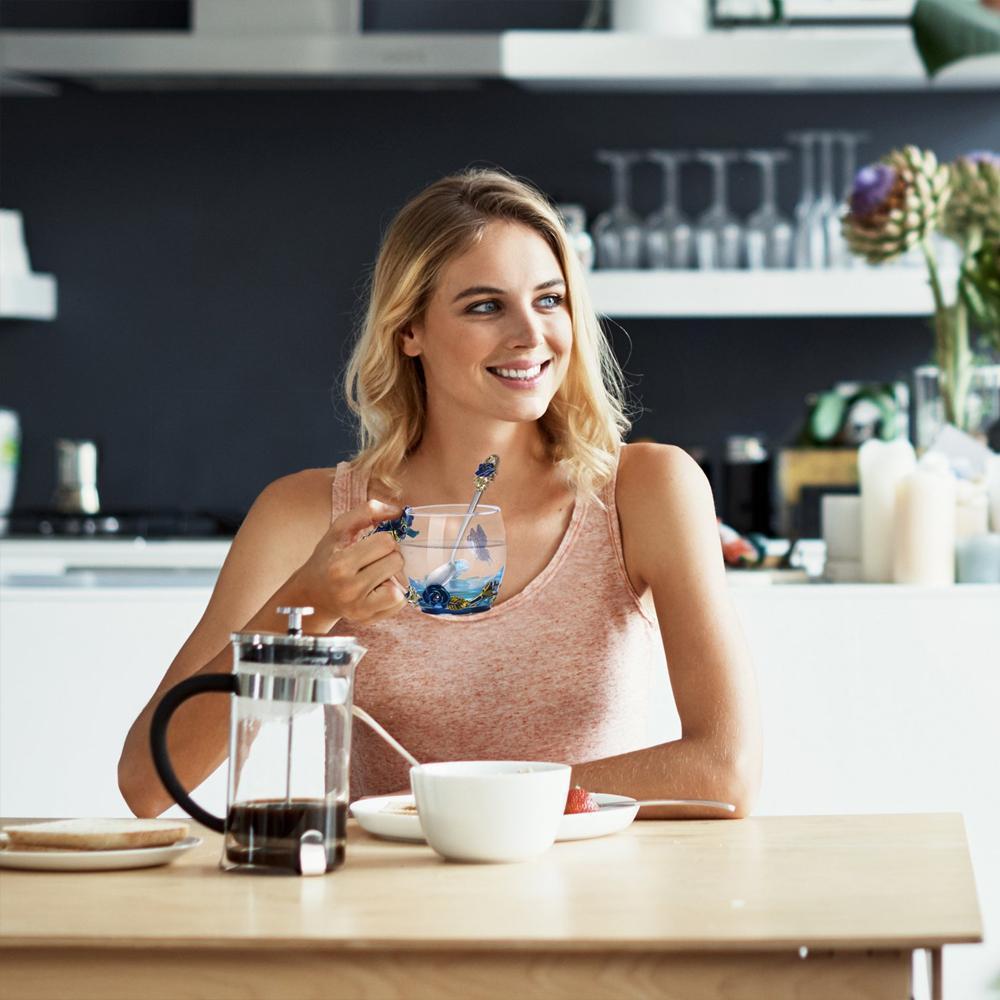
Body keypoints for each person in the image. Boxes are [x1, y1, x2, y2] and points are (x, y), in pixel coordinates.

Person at [119, 168, 761, 819]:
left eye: (549, 300)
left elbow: (724, 770)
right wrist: (309, 604)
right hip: (386, 885)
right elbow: (147, 783)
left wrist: (467, 798)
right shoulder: (309, 514)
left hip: (591, 883)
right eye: (485, 306)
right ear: (409, 330)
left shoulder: (647, 490)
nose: (530, 334)